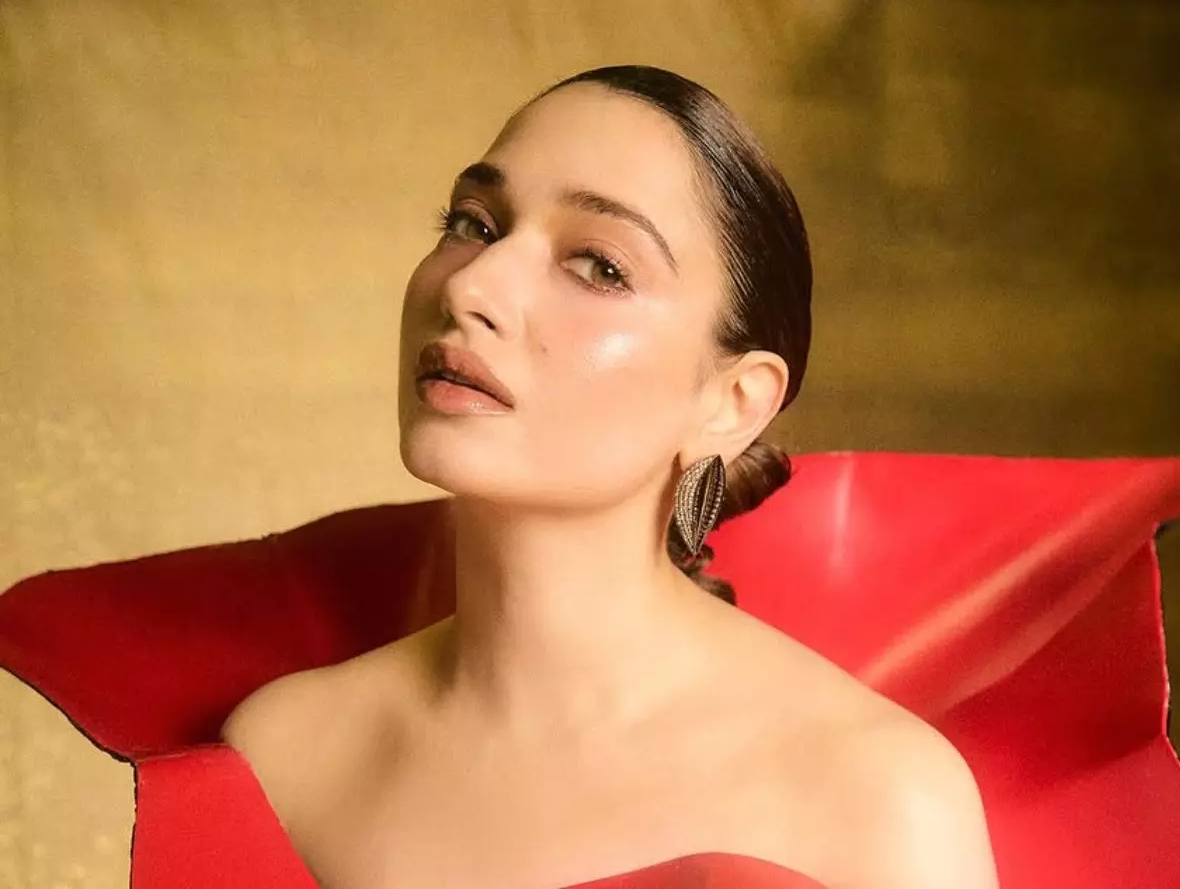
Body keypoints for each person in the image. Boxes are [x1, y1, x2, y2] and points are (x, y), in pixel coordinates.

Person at [221, 65, 1000, 888]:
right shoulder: (288, 757)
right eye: (473, 223)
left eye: (598, 266)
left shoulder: (879, 800)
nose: (471, 287)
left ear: (732, 404)